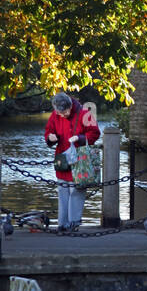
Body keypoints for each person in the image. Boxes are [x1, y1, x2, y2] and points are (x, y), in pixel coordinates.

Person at [44, 92, 100, 234]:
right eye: (60, 113)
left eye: (65, 112)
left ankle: (73, 223)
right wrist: (51, 138)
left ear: (70, 106)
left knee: (76, 190)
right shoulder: (55, 114)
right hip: (62, 158)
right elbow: (49, 131)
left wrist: (80, 138)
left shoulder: (85, 113)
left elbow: (95, 133)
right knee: (63, 191)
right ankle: (62, 224)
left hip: (80, 160)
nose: (63, 115)